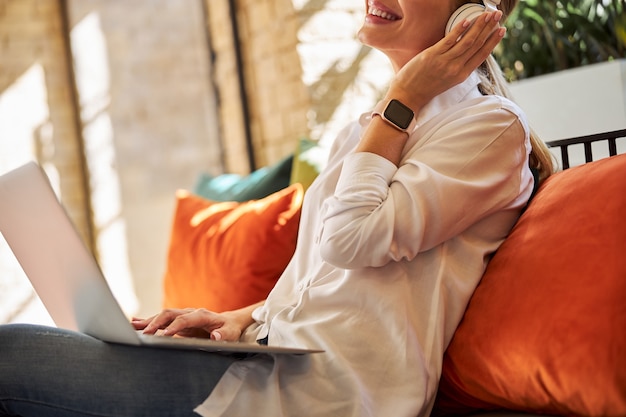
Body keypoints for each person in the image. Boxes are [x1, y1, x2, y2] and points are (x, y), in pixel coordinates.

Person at [0, 0, 555, 416]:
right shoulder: (367, 129)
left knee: (11, 358)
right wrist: (235, 321)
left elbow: (349, 240)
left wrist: (402, 98)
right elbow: (321, 277)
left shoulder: (488, 128)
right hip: (268, 367)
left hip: (327, 397)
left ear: (473, 15)